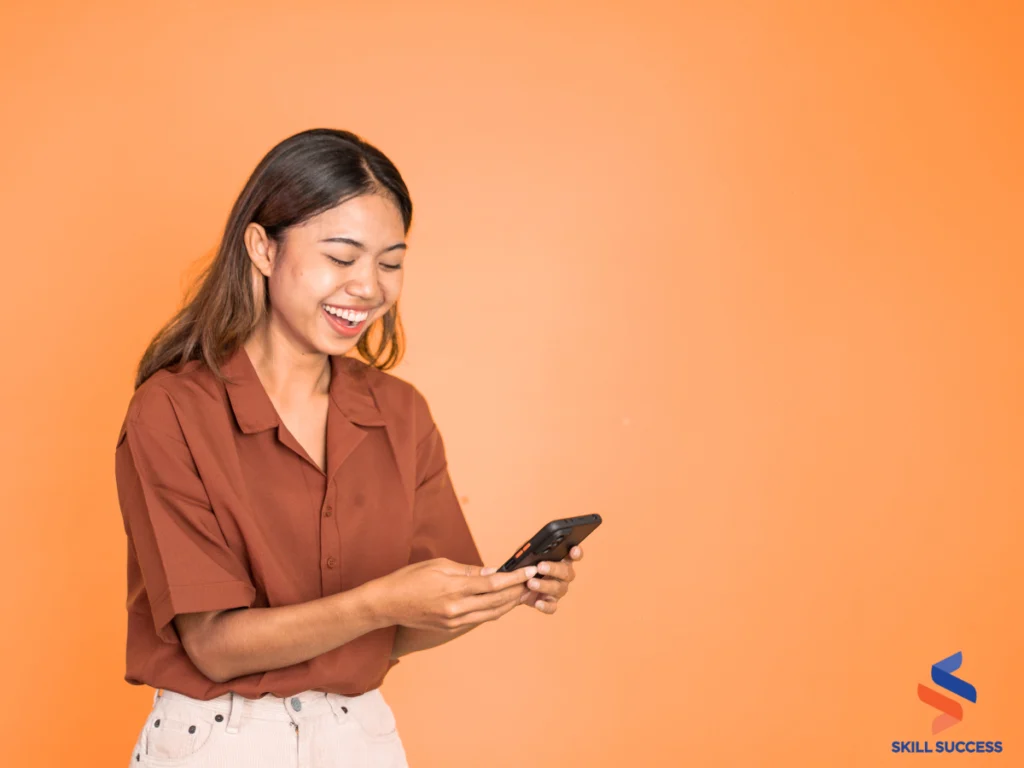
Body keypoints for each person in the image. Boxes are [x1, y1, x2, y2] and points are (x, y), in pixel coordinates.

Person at [114, 128, 584, 768]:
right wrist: (380, 601)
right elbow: (214, 646)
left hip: (359, 739)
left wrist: (495, 595)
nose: (369, 287)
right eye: (342, 257)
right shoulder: (172, 411)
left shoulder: (400, 413)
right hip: (219, 742)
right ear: (261, 248)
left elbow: (398, 632)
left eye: (390, 262)